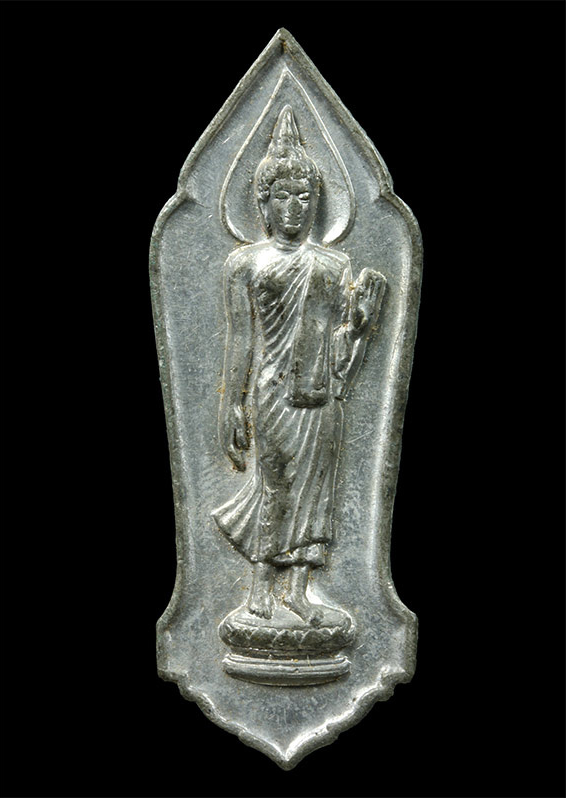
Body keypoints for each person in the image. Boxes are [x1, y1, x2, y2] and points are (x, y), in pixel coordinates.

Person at [212, 105, 385, 626]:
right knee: (278, 483)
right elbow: (241, 338)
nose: (294, 207)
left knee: (317, 490)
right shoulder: (245, 263)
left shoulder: (334, 264)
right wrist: (231, 404)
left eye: (305, 196)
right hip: (272, 393)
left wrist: (360, 326)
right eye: (282, 196)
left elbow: (342, 355)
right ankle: (261, 586)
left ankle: (299, 591)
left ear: (317, 202)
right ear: (263, 203)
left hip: (320, 396)